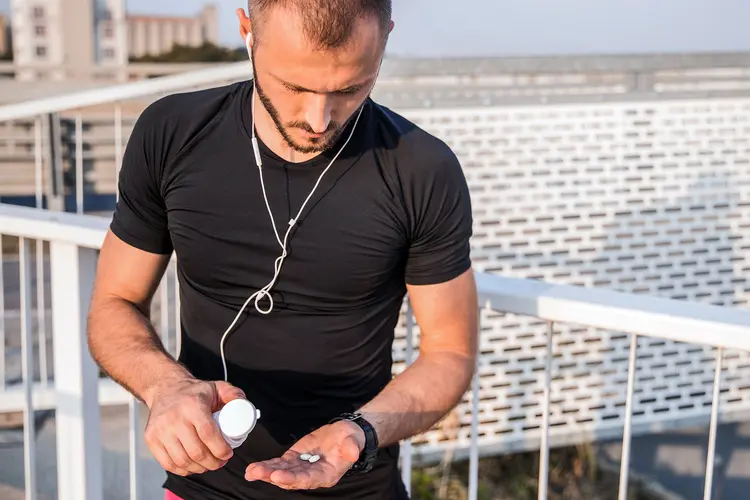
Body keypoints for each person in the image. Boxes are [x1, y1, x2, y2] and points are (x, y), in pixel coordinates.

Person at [86, 1, 478, 499]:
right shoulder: (171, 132)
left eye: (350, 88)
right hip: (201, 489)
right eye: (294, 86)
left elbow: (450, 352)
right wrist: (164, 388)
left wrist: (359, 433)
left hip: (357, 487)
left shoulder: (422, 170)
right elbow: (113, 303)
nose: (319, 119)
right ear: (247, 31)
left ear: (386, 40)